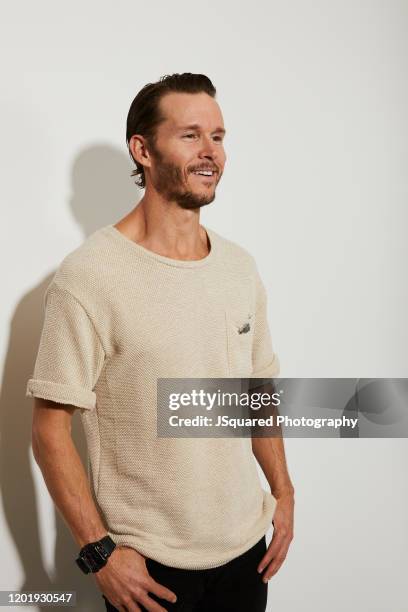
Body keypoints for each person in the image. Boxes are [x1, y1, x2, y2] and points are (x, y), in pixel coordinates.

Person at [27, 73, 294, 612]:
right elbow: (49, 428)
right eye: (191, 135)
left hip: (246, 553)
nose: (210, 152)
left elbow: (256, 388)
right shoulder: (89, 277)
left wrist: (283, 492)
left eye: (218, 137)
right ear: (142, 150)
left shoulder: (239, 268)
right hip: (150, 569)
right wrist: (98, 553)